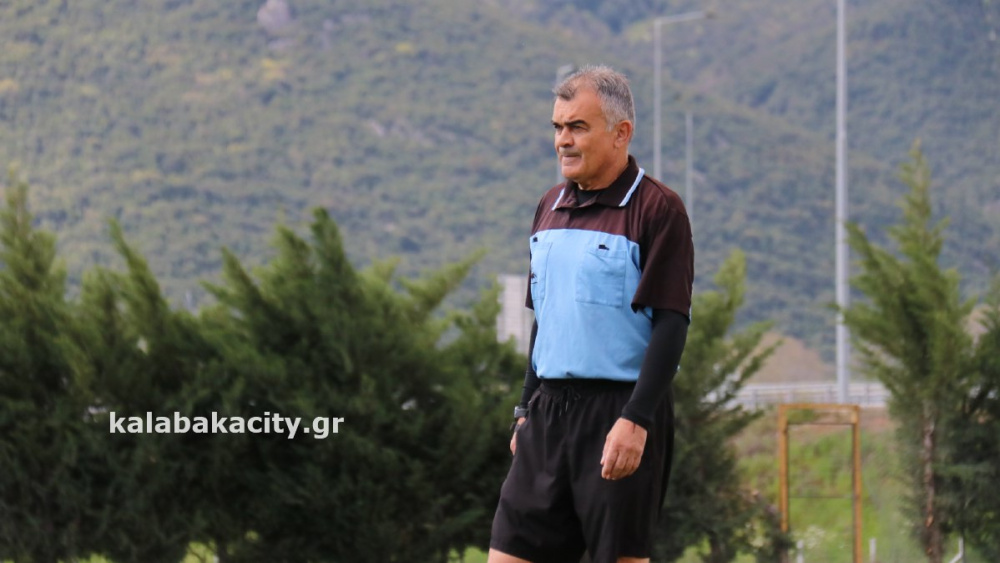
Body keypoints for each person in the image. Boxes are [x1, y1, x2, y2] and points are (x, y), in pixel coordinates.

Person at [487, 65, 694, 563]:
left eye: (577, 127)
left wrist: (636, 420)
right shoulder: (548, 207)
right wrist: (524, 407)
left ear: (620, 133)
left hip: (618, 411)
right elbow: (546, 319)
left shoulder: (658, 209)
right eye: (558, 127)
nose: (563, 140)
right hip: (546, 414)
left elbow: (671, 324)